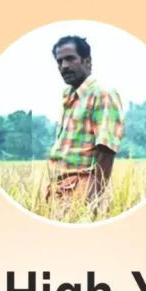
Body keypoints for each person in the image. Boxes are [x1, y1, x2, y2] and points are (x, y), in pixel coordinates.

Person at [45, 35, 125, 216]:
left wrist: (93, 202)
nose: (64, 66)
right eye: (59, 61)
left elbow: (106, 149)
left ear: (87, 61)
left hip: (83, 188)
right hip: (61, 189)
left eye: (70, 59)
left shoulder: (102, 93)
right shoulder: (68, 95)